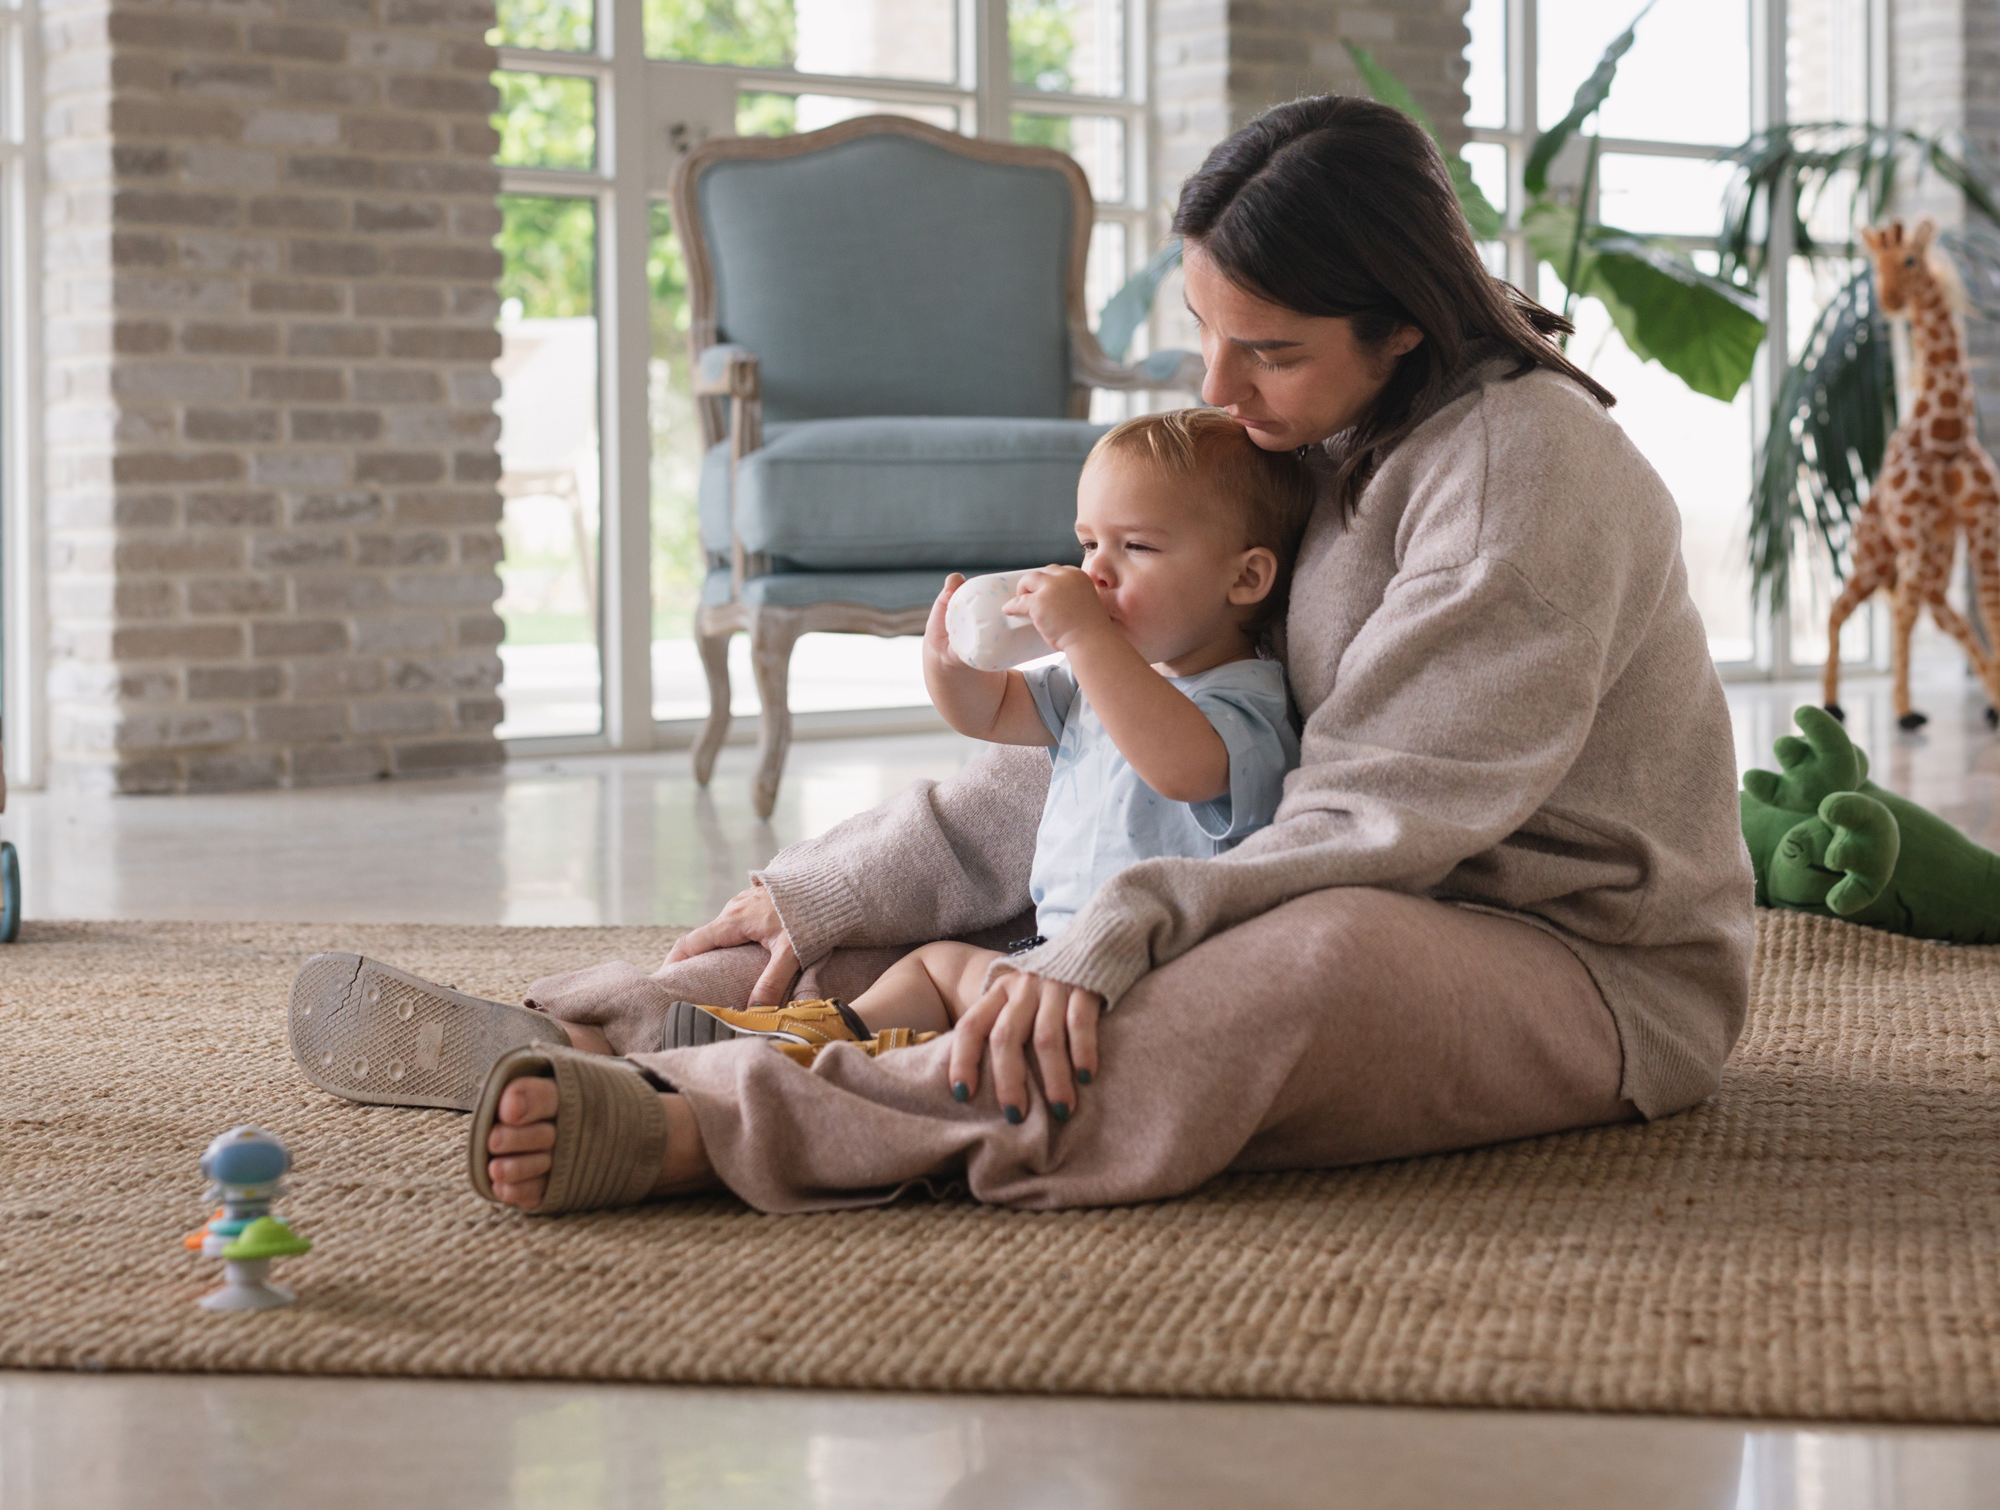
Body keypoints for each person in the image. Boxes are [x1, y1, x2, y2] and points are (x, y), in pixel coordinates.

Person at [292, 94, 1755, 1220]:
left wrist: (1112, 940)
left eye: (1272, 351)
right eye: (1206, 334)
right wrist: (835, 881)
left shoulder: (1523, 474)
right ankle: (622, 1030)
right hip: (1324, 860)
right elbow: (1124, 743)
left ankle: (711, 1125)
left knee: (1249, 977)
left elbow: (1378, 823)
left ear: (1405, 324)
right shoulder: (1315, 443)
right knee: (895, 948)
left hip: (1564, 961)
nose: (1220, 393)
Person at [656, 409, 1316, 1070]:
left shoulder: (1245, 701)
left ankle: (897, 1066)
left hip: (1161, 971)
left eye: (1135, 548)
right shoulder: (1097, 681)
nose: (1095, 575)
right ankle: (828, 1040)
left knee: (984, 1014)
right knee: (933, 970)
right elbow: (990, 712)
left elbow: (1183, 769)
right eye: (1088, 545)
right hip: (1054, 955)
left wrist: (1086, 638)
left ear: (1245, 578)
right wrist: (948, 660)